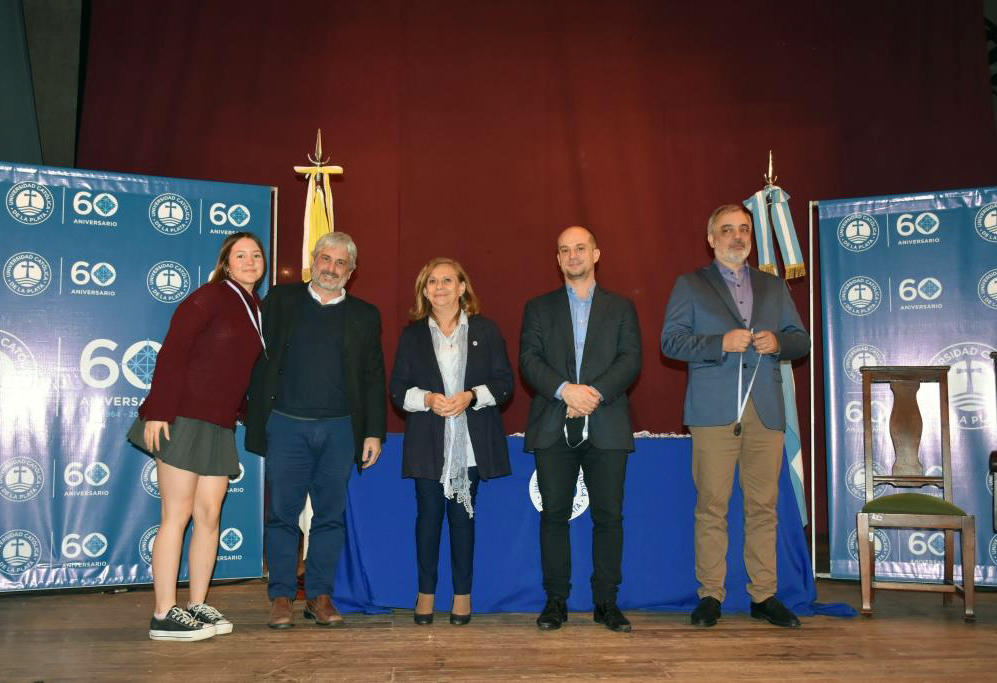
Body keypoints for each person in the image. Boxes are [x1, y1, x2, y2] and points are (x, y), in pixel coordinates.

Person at [660, 204, 810, 629]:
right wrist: (718, 342)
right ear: (711, 238)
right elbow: (670, 343)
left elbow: (802, 341)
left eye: (744, 229)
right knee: (712, 506)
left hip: (766, 412)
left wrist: (778, 342)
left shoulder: (774, 287)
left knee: (765, 507)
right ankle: (711, 594)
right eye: (727, 230)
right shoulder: (690, 285)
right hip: (712, 414)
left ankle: (764, 595)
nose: (737, 237)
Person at [128, 231, 267, 641]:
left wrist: (239, 412)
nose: (248, 260)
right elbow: (173, 352)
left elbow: (237, 368)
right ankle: (162, 612)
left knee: (209, 516)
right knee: (178, 514)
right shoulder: (208, 297)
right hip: (181, 418)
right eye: (239, 255)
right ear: (226, 263)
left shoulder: (254, 306)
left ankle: (197, 603)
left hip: (219, 425)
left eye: (256, 255)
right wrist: (158, 412)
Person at [244, 231, 386, 629]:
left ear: (352, 272)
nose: (332, 269)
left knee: (330, 517)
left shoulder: (365, 315)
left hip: (341, 430)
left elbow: (374, 377)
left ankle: (320, 595)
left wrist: (373, 431)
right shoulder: (281, 301)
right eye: (326, 259)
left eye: (341, 263)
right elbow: (253, 356)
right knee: (282, 516)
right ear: (313, 260)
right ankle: (282, 596)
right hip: (287, 425)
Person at [519, 226, 641, 633]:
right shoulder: (538, 307)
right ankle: (556, 601)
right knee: (554, 516)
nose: (573, 256)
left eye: (580, 249)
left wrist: (594, 394)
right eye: (564, 250)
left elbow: (630, 360)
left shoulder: (621, 308)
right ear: (557, 259)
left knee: (609, 518)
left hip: (606, 424)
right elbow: (530, 361)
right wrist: (564, 391)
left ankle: (607, 601)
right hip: (553, 424)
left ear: (596, 254)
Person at [389, 257, 514, 626]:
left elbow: (505, 383)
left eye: (447, 280)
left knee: (463, 521)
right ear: (424, 291)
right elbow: (397, 390)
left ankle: (463, 596)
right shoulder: (412, 335)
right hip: (428, 442)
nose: (439, 287)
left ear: (463, 288)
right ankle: (425, 594)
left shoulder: (486, 331)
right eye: (432, 282)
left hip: (471, 444)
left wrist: (471, 396)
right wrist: (427, 399)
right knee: (427, 519)